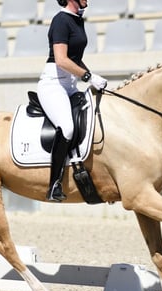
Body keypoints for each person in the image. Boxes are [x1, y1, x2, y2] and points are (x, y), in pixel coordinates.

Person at [38, 0, 108, 202]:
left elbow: (74, 58)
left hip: (69, 84)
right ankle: (54, 185)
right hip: (53, 84)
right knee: (67, 128)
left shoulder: (78, 20)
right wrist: (87, 77)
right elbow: (61, 59)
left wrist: (91, 74)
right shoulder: (61, 20)